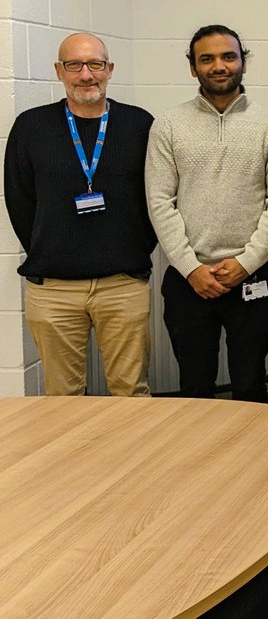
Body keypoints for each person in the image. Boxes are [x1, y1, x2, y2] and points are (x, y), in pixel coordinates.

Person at [146, 25, 268, 402]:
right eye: (207, 59)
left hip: (252, 276)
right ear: (192, 68)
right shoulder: (167, 125)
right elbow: (160, 201)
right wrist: (190, 267)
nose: (219, 66)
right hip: (188, 281)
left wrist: (246, 262)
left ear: (243, 61)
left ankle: (254, 461)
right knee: (195, 388)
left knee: (250, 384)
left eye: (228, 56)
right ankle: (199, 461)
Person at [3, 33, 156, 396]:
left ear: (110, 69)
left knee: (131, 391)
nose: (86, 75)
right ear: (59, 71)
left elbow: (157, 198)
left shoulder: (140, 125)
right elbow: (19, 201)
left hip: (122, 284)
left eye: (96, 65)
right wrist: (53, 248)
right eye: (75, 65)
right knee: (63, 399)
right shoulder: (30, 127)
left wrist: (133, 249)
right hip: (53, 289)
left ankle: (134, 456)